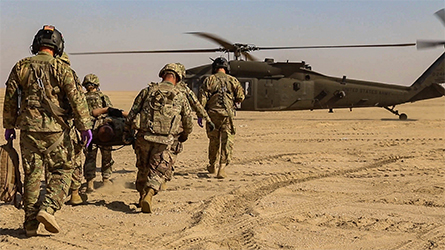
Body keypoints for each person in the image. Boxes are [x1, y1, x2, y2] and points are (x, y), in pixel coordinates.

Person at [2, 25, 93, 236]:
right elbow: (77, 101)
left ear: (36, 44)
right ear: (58, 46)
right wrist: (84, 127)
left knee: (32, 175)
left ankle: (30, 224)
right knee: (62, 170)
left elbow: (10, 98)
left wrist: (9, 125)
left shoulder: (20, 67)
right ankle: (48, 208)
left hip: (28, 131)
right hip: (57, 133)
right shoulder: (63, 69)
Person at [123, 63, 193, 213]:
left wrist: (127, 131)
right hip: (164, 141)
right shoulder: (180, 95)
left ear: (162, 75)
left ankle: (141, 196)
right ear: (178, 78)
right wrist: (184, 135)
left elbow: (132, 113)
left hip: (144, 138)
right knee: (158, 171)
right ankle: (150, 192)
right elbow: (188, 120)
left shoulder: (147, 91)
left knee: (143, 168)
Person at [198, 57, 245, 179]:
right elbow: (240, 96)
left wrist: (200, 115)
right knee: (226, 141)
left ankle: (212, 165)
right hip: (226, 115)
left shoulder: (209, 80)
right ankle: (222, 168)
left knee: (213, 141)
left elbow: (202, 99)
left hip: (212, 115)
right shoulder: (233, 80)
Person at [58, 52, 86, 205]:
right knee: (74, 159)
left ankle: (56, 193)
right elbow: (79, 102)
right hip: (67, 126)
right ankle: (74, 192)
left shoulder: (41, 73)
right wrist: (84, 127)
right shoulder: (69, 75)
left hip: (45, 128)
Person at [82, 74, 115, 192]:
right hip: (103, 131)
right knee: (106, 155)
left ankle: (90, 184)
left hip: (88, 131)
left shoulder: (81, 98)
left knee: (90, 157)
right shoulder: (102, 97)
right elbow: (110, 110)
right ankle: (106, 180)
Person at [174, 63, 215, 131]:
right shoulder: (183, 89)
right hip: (176, 125)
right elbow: (196, 104)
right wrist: (208, 120)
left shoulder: (157, 89)